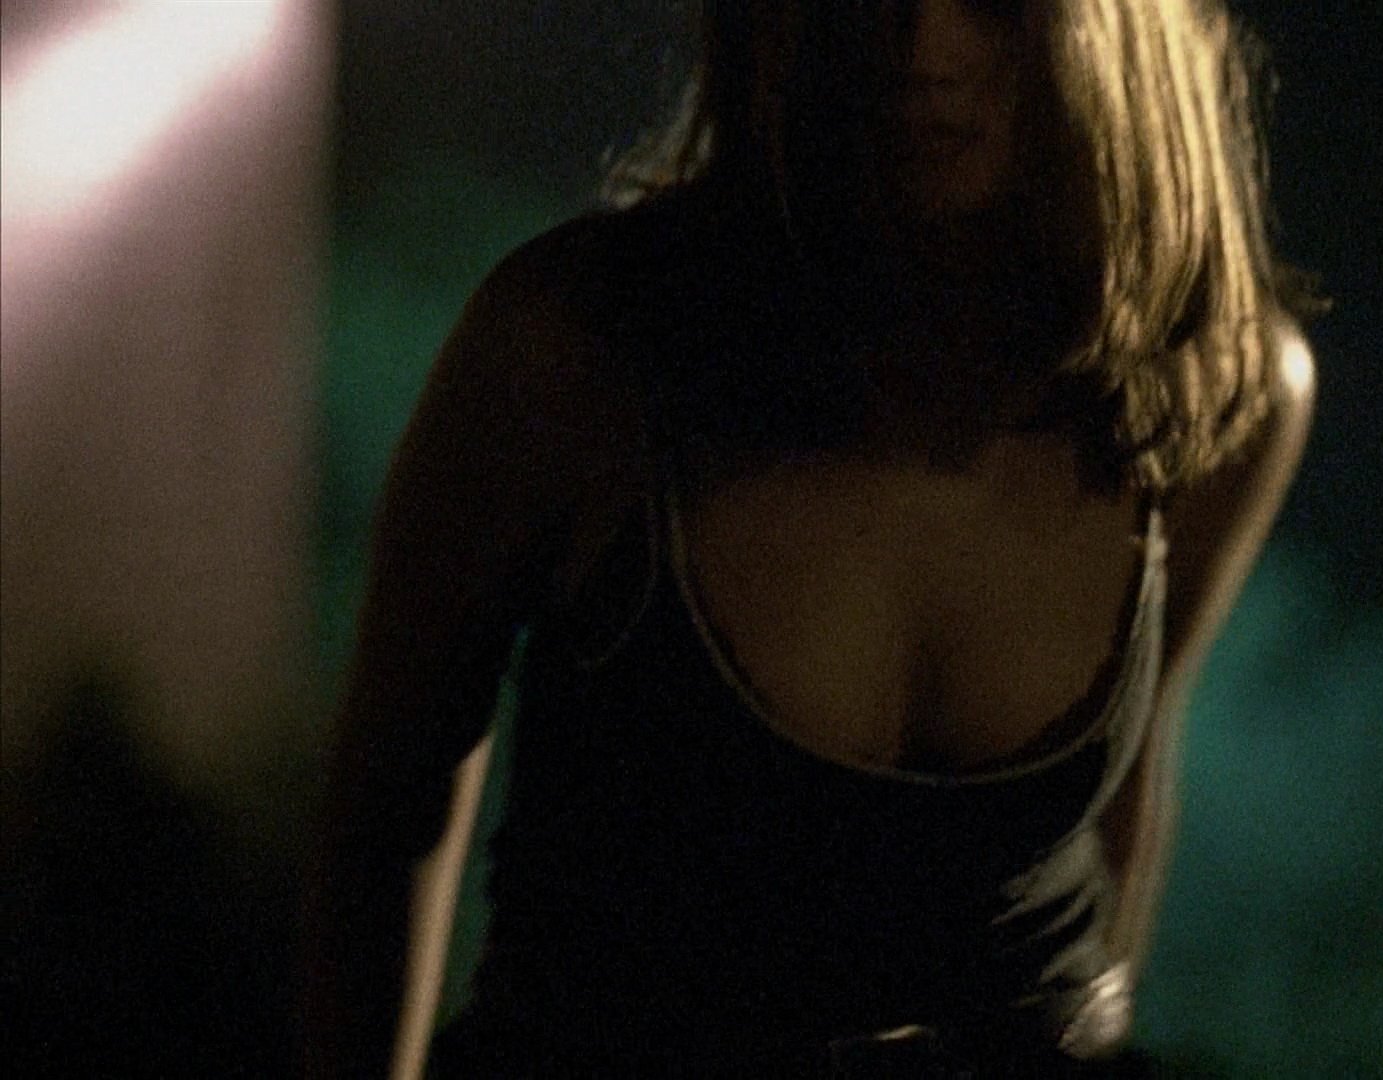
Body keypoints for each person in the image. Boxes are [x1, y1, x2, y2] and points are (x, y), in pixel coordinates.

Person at [305, 0, 1317, 1074]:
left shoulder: (1216, 389)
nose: (924, 49)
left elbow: (1125, 787)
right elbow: (389, 803)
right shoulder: (577, 352)